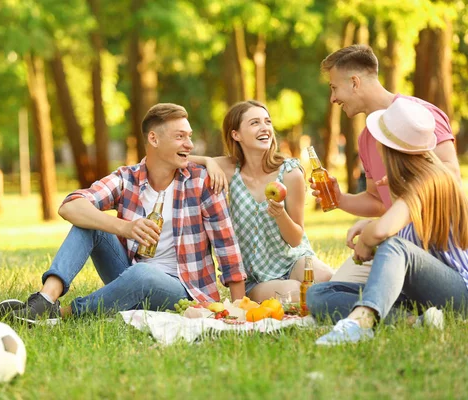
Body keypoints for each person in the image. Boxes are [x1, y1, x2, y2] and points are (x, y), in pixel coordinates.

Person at [0, 103, 247, 326]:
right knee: (89, 222)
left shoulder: (202, 181)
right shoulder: (127, 178)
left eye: (189, 137)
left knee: (143, 275)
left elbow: (228, 248)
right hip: (130, 272)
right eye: (180, 136)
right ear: (154, 139)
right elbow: (70, 206)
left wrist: (238, 309)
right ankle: (45, 299)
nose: (189, 144)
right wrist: (124, 228)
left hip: (185, 291)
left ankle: (63, 314)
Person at [308, 98, 468, 345]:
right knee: (318, 294)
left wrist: (368, 239)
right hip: (416, 293)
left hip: (457, 293)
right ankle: (412, 322)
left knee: (393, 246)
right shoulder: (404, 181)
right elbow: (410, 224)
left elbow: (383, 232)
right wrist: (371, 224)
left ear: (387, 147)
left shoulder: (430, 180)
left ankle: (361, 323)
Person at [313, 44, 461, 284]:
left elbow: (451, 177)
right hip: (393, 236)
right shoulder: (366, 138)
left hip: (434, 242)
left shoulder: (421, 116)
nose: (332, 98)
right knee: (333, 288)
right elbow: (378, 200)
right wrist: (340, 199)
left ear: (354, 82)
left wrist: (384, 222)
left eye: (334, 88)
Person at [190, 100, 333, 303]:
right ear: (235, 134)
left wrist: (280, 213)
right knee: (294, 294)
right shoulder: (230, 170)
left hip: (294, 260)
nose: (265, 127)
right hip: (256, 278)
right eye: (255, 123)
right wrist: (208, 161)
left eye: (267, 121)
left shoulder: (290, 172)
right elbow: (179, 158)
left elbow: (295, 239)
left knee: (328, 280)